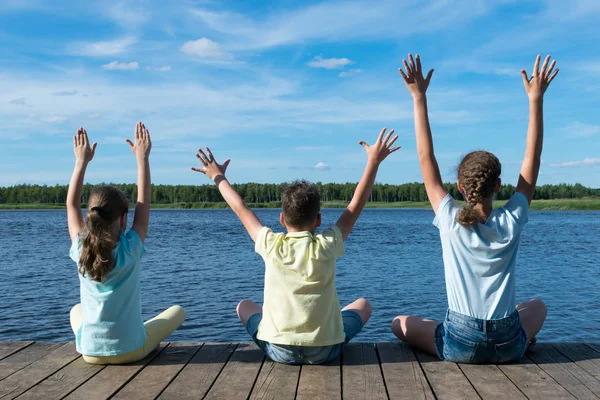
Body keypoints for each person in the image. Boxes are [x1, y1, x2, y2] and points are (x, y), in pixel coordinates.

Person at [391, 54, 558, 363]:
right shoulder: (511, 220)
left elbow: (426, 157)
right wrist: (535, 99)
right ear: (498, 186)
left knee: (397, 323)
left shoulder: (450, 219)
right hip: (507, 342)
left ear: (460, 188)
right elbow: (531, 161)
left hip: (460, 343)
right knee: (538, 306)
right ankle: (521, 343)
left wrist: (419, 98)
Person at [192, 129, 400, 364]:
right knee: (364, 305)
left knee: (244, 306)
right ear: (318, 220)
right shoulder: (328, 243)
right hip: (325, 351)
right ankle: (326, 330)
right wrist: (373, 161)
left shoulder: (271, 244)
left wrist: (217, 177)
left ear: (282, 219)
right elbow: (355, 206)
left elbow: (241, 208)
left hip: (279, 351)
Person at [67, 123, 185, 364]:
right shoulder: (130, 247)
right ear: (123, 220)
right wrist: (143, 158)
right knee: (178, 312)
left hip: (89, 353)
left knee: (75, 310)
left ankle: (101, 337)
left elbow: (70, 205)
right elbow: (144, 203)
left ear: (90, 215)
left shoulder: (81, 248)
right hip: (131, 350)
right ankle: (131, 332)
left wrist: (81, 162)